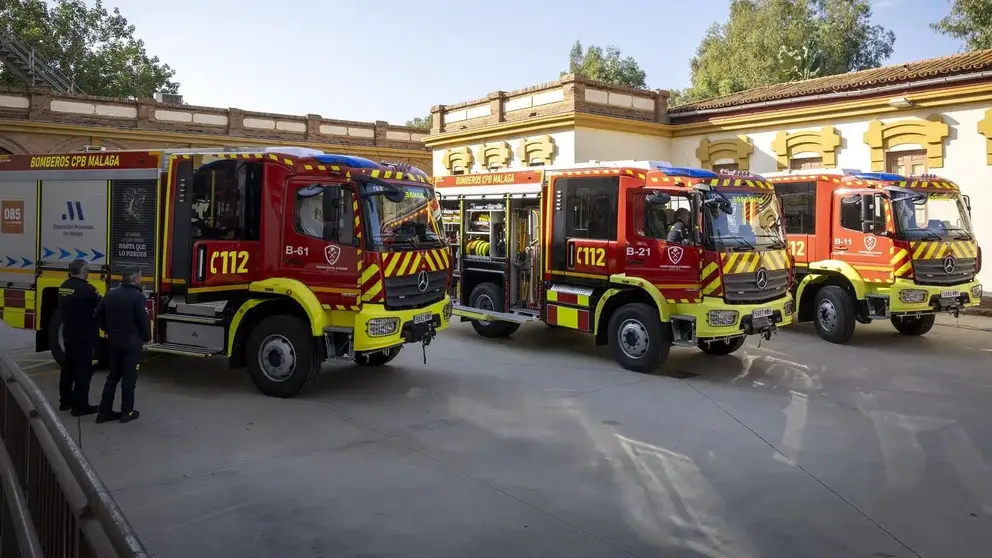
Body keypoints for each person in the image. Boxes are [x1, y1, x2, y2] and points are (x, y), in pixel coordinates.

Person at [95, 267, 150, 424]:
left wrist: (108, 330)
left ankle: (103, 412)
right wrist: (146, 337)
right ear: (136, 279)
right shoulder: (138, 296)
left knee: (113, 377)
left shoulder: (111, 294)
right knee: (129, 378)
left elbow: (97, 315)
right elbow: (143, 320)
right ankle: (127, 412)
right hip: (131, 343)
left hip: (114, 341)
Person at [57, 259, 101, 416]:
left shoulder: (64, 286)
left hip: (69, 334)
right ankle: (80, 406)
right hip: (84, 336)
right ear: (84, 271)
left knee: (68, 368)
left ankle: (65, 401)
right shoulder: (87, 289)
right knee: (84, 371)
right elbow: (100, 304)